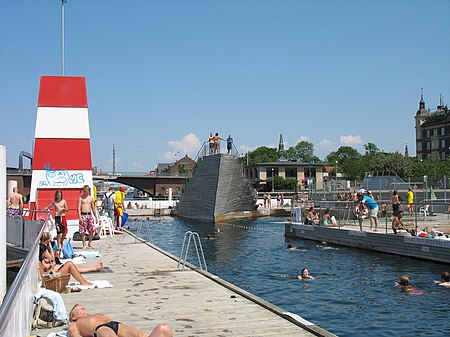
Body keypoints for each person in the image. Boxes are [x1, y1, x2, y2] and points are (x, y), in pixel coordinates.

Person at [68, 304, 173, 337]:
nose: (83, 308)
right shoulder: (75, 323)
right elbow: (74, 334)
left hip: (117, 325)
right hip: (100, 328)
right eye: (78, 308)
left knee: (162, 329)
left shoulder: (95, 315)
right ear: (73, 317)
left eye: (83, 306)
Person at [78, 185, 98, 250]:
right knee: (82, 231)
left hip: (89, 215)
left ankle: (90, 242)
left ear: (88, 191)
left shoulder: (91, 198)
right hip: (83, 215)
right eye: (84, 191)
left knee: (92, 229)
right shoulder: (81, 198)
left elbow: (93, 208)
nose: (85, 192)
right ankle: (84, 244)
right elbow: (78, 208)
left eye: (86, 191)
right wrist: (80, 217)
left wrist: (96, 217)